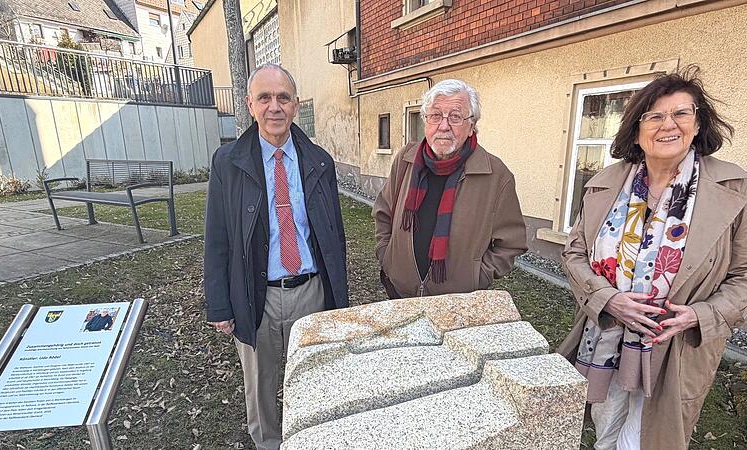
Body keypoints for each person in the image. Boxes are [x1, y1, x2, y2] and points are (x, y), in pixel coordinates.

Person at [557, 66, 747, 450]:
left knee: (644, 442)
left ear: (698, 123)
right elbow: (575, 252)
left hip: (677, 346)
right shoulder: (605, 183)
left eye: (681, 113)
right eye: (654, 115)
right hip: (606, 336)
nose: (667, 124)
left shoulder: (732, 185)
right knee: (605, 432)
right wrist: (608, 299)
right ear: (636, 131)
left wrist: (702, 315)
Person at [203, 63, 349, 450]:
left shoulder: (319, 161)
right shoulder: (227, 162)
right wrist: (220, 304)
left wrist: (338, 299)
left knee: (317, 379)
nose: (274, 107)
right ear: (250, 104)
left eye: (283, 97)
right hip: (256, 295)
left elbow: (335, 236)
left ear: (296, 105)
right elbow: (216, 238)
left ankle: (316, 440)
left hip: (311, 292)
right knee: (261, 389)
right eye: (264, 98)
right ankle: (269, 444)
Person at [372, 79, 527, 298]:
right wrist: (388, 257)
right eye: (435, 115)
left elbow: (511, 243)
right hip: (400, 292)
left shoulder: (496, 175)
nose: (443, 126)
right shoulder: (406, 161)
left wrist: (477, 277)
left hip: (457, 302)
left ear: (472, 126)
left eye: (455, 116)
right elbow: (383, 213)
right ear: (426, 121)